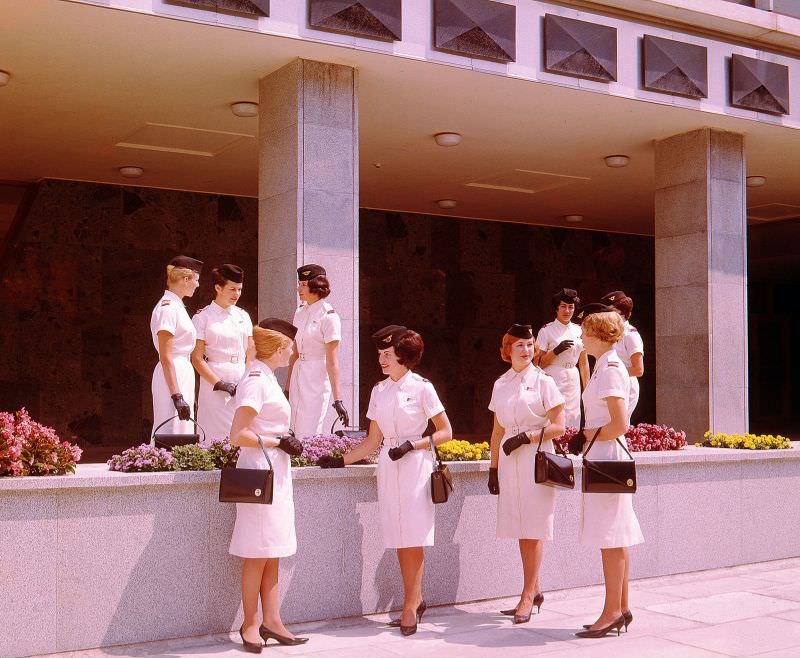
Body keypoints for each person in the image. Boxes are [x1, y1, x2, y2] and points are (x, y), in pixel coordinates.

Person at [318, 325, 453, 637]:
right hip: (389, 467)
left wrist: (413, 444)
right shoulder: (379, 390)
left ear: (403, 357)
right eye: (380, 354)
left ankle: (411, 602)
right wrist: (340, 460)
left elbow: (445, 432)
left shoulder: (422, 387)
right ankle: (414, 600)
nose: (381, 359)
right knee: (397, 534)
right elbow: (372, 440)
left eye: (387, 354)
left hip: (415, 465)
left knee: (414, 535)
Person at [229, 318, 308, 651]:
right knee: (256, 552)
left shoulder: (267, 379)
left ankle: (272, 621)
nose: (293, 354)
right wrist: (278, 442)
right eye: (290, 348)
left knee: (272, 549)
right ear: (279, 348)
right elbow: (238, 434)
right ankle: (249, 624)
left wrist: (283, 440)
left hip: (274, 471)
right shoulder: (257, 380)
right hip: (260, 473)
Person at [488, 324, 566, 624]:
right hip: (509, 460)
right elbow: (497, 430)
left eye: (530, 344)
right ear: (507, 351)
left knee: (534, 528)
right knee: (521, 527)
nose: (526, 350)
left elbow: (559, 425)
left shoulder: (543, 381)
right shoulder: (501, 384)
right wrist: (493, 468)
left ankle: (527, 594)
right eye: (519, 345)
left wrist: (528, 437)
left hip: (536, 457)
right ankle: (535, 588)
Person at [574, 304, 644, 639]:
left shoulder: (612, 367)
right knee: (616, 535)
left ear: (600, 335)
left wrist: (590, 434)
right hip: (604, 454)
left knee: (611, 537)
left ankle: (612, 611)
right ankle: (621, 606)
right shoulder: (604, 364)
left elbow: (620, 423)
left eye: (586, 332)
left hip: (607, 454)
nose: (582, 338)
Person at [191, 264, 254, 442]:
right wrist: (219, 383)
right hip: (215, 378)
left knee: (241, 429)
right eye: (232, 289)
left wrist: (247, 377)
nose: (237, 294)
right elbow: (197, 358)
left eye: (240, 289)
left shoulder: (243, 316)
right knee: (215, 433)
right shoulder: (203, 317)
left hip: (241, 375)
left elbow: (250, 352)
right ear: (218, 288)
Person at [286, 264, 348, 439]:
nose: (299, 289)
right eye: (299, 284)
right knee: (291, 428)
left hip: (317, 378)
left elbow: (333, 361)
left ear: (316, 286)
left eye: (303, 285)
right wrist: (287, 387)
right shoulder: (299, 313)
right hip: (299, 373)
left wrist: (338, 400)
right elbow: (295, 353)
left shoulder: (329, 316)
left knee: (308, 430)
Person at [149, 255, 201, 440]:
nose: (197, 285)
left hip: (182, 371)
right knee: (170, 427)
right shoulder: (168, 308)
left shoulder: (178, 306)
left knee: (182, 429)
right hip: (172, 373)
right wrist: (176, 395)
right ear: (185, 279)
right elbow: (166, 356)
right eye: (196, 280)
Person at [536, 288, 590, 428]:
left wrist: (588, 389)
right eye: (563, 307)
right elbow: (538, 363)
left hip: (573, 376)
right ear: (556, 308)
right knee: (554, 413)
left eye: (571, 307)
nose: (567, 311)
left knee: (573, 416)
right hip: (554, 375)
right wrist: (556, 351)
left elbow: (583, 363)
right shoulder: (547, 330)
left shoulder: (579, 330)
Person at [600, 291, 644, 424]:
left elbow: (638, 369)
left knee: (618, 425)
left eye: (611, 312)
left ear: (622, 314)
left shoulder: (630, 334)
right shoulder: (611, 333)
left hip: (626, 384)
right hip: (611, 383)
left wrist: (614, 371)